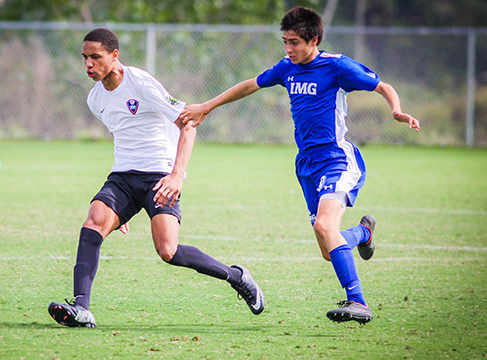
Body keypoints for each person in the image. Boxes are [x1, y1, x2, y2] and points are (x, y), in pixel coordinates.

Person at [179, 7, 420, 324]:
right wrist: (207, 106)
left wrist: (396, 110)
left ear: (314, 40)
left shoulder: (337, 67)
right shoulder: (286, 68)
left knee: (324, 227)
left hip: (337, 159)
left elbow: (382, 86)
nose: (288, 49)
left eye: (294, 42)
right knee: (327, 246)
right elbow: (251, 84)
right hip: (306, 166)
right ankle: (363, 232)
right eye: (285, 42)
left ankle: (358, 302)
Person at [48, 28, 265, 328]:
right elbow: (121, 136)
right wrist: (117, 209)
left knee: (168, 251)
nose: (88, 64)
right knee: (94, 222)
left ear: (114, 56)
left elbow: (188, 124)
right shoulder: (95, 98)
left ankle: (237, 277)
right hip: (123, 177)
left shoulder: (141, 84)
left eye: (95, 57)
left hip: (159, 176)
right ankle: (81, 308)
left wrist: (176, 176)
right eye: (84, 58)